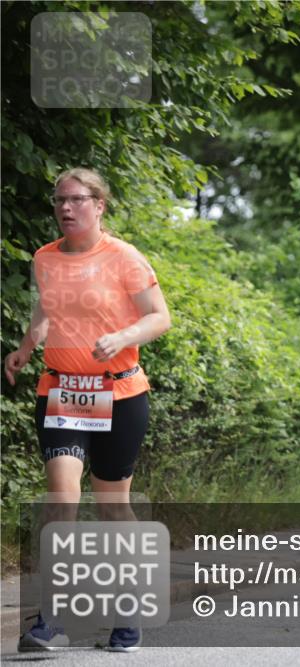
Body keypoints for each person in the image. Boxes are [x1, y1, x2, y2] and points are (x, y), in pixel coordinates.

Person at [6, 168, 171, 653]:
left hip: (119, 393)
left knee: (113, 507)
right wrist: (26, 346)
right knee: (61, 497)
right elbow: (47, 308)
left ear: (99, 205)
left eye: (76, 199)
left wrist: (123, 336)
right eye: (59, 200)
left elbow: (159, 317)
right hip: (62, 390)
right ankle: (51, 619)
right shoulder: (45, 257)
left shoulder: (124, 257)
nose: (65, 208)